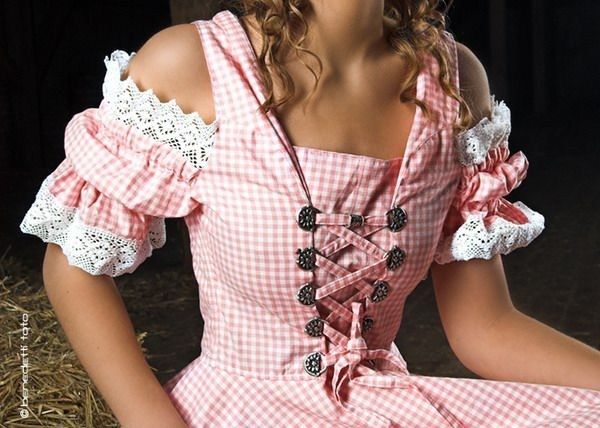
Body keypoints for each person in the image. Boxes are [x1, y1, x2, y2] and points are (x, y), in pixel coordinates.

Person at [20, 1, 600, 427]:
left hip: (385, 408)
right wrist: (150, 421)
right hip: (235, 411)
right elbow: (72, 267)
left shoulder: (451, 82)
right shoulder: (194, 66)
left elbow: (485, 327)